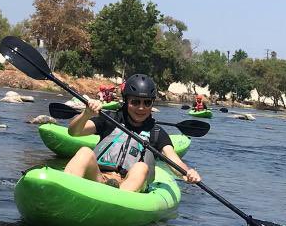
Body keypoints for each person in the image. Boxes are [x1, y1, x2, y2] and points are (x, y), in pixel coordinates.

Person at [65, 74, 200, 193]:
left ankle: (115, 203)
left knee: (141, 167)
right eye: (135, 102)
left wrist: (187, 172)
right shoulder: (111, 119)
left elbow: (173, 160)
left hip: (130, 186)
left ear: (152, 103)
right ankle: (64, 192)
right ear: (126, 101)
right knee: (84, 152)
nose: (141, 108)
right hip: (99, 177)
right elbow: (74, 132)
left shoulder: (156, 132)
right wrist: (86, 114)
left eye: (147, 102)